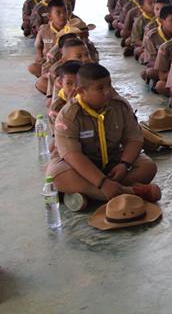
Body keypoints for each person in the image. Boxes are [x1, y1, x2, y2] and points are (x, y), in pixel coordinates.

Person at [48, 63, 160, 212]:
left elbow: (134, 138)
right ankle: (128, 192)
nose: (107, 91)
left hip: (112, 161)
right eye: (100, 88)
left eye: (109, 84)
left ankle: (89, 194)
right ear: (82, 91)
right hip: (81, 166)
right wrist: (102, 182)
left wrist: (124, 164)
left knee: (148, 167)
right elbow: (72, 155)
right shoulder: (68, 115)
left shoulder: (119, 105)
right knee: (56, 176)